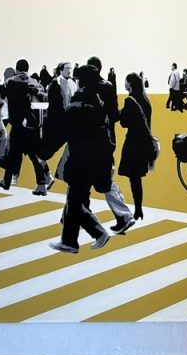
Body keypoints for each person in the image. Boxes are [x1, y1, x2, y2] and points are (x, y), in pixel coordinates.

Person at [49, 65, 112, 254]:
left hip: (79, 162)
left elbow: (62, 134)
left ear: (81, 83)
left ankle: (98, 233)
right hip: (95, 162)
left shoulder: (76, 106)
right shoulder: (99, 104)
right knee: (76, 200)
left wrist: (44, 151)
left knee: (75, 202)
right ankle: (69, 240)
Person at [87, 56, 134, 229]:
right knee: (101, 176)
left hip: (90, 140)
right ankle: (122, 215)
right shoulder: (108, 86)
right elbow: (114, 115)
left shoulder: (86, 87)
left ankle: (123, 215)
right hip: (107, 139)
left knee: (86, 179)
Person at [0, 59, 51, 195]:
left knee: (12, 153)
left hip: (18, 124)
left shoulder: (11, 82)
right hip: (33, 125)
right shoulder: (34, 82)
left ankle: (6, 181)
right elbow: (43, 99)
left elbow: (2, 97)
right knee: (34, 155)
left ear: (17, 69)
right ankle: (41, 185)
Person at [118, 72, 154, 225]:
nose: (124, 84)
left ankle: (138, 209)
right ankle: (138, 208)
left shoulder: (130, 100)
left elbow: (124, 123)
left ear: (130, 84)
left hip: (133, 143)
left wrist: (120, 112)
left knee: (134, 179)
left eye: (126, 81)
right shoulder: (146, 100)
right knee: (137, 178)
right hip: (144, 144)